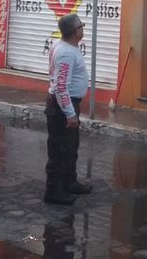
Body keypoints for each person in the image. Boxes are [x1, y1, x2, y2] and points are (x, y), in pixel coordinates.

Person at [44, 13, 93, 205]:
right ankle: (54, 192)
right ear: (75, 31)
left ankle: (69, 183)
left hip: (67, 104)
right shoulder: (66, 53)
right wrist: (70, 114)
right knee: (59, 151)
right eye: (81, 26)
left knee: (70, 147)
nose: (83, 28)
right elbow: (61, 86)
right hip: (63, 107)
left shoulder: (65, 46)